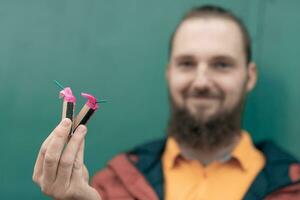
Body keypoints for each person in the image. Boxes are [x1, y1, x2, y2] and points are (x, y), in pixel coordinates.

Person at [32, 5, 300, 200]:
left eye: (221, 64)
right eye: (187, 63)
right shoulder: (112, 186)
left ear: (249, 76)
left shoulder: (292, 187)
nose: (202, 81)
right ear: (169, 73)